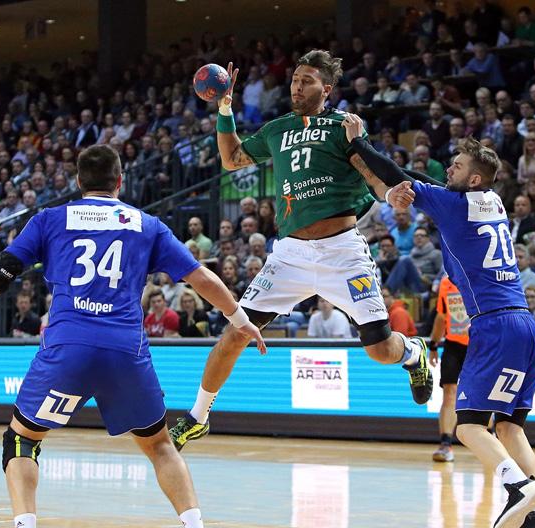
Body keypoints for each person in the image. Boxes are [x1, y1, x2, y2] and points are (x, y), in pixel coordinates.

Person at [0, 144, 268, 528]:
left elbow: (3, 269)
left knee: (21, 440)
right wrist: (240, 320)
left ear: (79, 182)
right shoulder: (146, 224)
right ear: (120, 181)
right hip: (124, 351)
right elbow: (201, 277)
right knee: (159, 445)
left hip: (68, 350)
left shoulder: (51, 219)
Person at [168, 51, 432, 451]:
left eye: (306, 81)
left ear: (326, 89)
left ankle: (413, 352)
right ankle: (197, 417)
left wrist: (389, 192)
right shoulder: (277, 129)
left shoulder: (342, 126)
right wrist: (224, 109)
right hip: (290, 255)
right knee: (235, 332)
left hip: (342, 252)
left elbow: (370, 175)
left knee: (380, 350)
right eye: (294, 79)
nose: (296, 86)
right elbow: (231, 158)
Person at [342, 121, 535, 528]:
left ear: (473, 178)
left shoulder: (454, 206)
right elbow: (422, 179)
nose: (448, 170)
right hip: (526, 325)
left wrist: (358, 143)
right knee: (510, 426)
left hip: (494, 325)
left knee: (469, 426)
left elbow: (400, 176)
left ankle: (518, 489)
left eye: (456, 166)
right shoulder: (491, 200)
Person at [427, 276, 469, 463]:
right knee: (449, 393)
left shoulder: (480, 276)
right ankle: (445, 444)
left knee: (483, 396)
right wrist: (433, 344)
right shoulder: (446, 283)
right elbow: (441, 316)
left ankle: (490, 435)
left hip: (479, 345)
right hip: (453, 345)